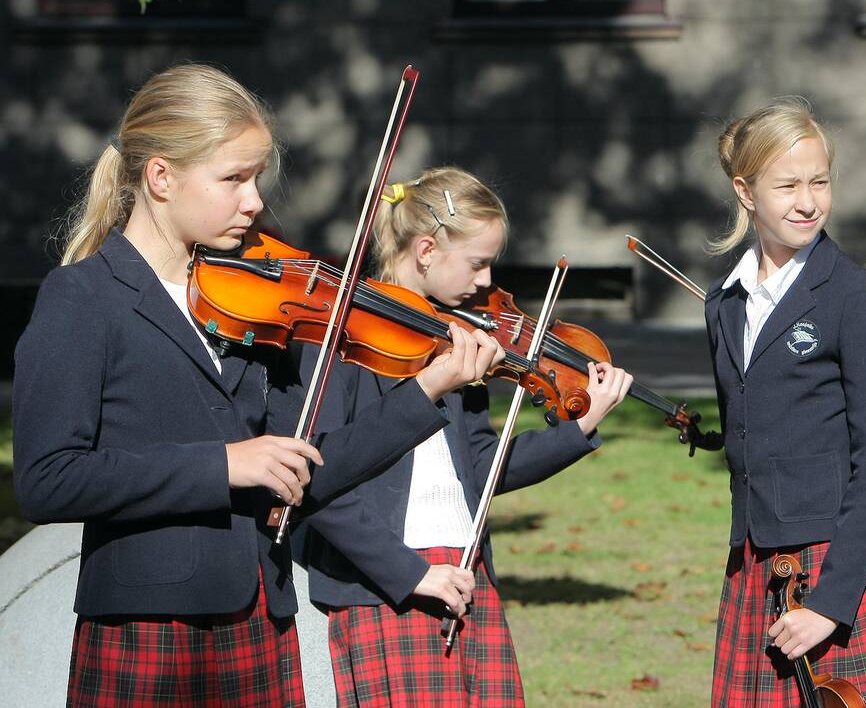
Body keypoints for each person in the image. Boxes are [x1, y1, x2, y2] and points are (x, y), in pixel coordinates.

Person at [12, 64, 501, 707]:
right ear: (161, 177)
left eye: (257, 179)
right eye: (234, 179)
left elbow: (312, 471)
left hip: (262, 621)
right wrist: (223, 465)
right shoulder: (83, 298)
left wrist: (425, 391)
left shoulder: (257, 304)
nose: (254, 201)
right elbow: (48, 479)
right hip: (148, 627)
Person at [295, 166, 633, 708]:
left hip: (465, 569)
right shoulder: (341, 336)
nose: (485, 282)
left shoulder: (457, 339)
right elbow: (317, 482)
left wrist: (580, 427)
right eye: (477, 263)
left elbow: (482, 465)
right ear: (426, 250)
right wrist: (411, 574)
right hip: (385, 585)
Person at [704, 98, 866, 707]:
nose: (807, 200)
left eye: (819, 181)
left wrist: (830, 603)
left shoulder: (856, 299)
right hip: (754, 559)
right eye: (788, 185)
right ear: (746, 192)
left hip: (835, 565)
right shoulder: (723, 303)